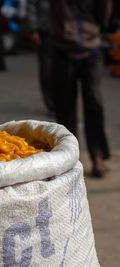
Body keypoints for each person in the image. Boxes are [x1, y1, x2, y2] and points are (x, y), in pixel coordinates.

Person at [49, 0, 111, 177]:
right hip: (62, 50)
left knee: (94, 102)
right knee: (65, 107)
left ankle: (97, 156)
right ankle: (69, 159)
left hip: (91, 50)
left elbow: (103, 15)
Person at [27, 0, 55, 114]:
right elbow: (32, 7)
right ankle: (51, 104)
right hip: (46, 32)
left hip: (65, 34)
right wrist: (33, 29)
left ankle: (62, 104)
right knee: (47, 70)